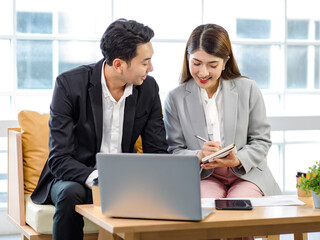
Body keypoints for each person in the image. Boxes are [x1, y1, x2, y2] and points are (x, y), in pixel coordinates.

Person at [31, 19, 168, 240]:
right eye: (145, 62)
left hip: (127, 180)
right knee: (69, 194)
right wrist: (98, 178)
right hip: (76, 178)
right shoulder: (69, 85)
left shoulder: (149, 88)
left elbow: (158, 151)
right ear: (119, 64)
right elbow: (59, 159)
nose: (150, 68)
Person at [164, 23, 281, 207]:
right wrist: (199, 154)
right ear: (188, 58)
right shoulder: (175, 98)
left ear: (226, 61)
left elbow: (261, 140)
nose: (203, 72)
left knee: (238, 208)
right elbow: (174, 150)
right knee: (207, 209)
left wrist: (238, 159)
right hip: (204, 176)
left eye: (212, 65)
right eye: (196, 63)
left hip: (247, 174)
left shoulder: (248, 89)